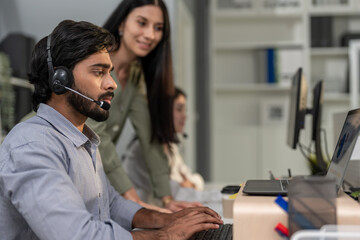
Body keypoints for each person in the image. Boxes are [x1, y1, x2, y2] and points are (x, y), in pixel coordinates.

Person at [0, 19, 223, 240]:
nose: (112, 83)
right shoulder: (31, 147)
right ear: (59, 79)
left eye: (110, 72)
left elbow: (109, 203)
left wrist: (165, 219)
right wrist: (166, 235)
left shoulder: (83, 139)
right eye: (99, 72)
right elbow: (77, 236)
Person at [86, 0, 201, 211]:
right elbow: (98, 136)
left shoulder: (135, 73)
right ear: (121, 24)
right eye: (142, 23)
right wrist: (134, 199)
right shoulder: (92, 63)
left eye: (158, 28)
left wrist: (167, 198)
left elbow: (149, 136)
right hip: (47, 153)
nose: (150, 35)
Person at [122, 87, 206, 203]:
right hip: (139, 213)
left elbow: (193, 180)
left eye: (185, 110)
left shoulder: (170, 146)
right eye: (179, 109)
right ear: (163, 112)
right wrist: (187, 184)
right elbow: (174, 191)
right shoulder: (141, 149)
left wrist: (190, 183)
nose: (184, 116)